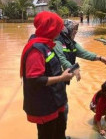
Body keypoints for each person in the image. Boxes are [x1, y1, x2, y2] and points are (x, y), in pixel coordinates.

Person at [20, 11, 74, 139]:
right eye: (58, 28)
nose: (60, 31)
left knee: (59, 131)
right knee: (48, 134)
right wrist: (62, 78)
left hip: (54, 100)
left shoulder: (47, 44)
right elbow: (35, 80)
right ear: (50, 28)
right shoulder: (36, 49)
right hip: (45, 105)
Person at [54, 19, 106, 121]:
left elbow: (84, 53)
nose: (76, 32)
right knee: (60, 108)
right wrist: (74, 69)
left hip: (62, 79)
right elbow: (62, 59)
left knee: (63, 108)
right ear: (66, 30)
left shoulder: (71, 43)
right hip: (55, 79)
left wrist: (100, 58)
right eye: (74, 30)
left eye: (76, 30)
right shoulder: (57, 41)